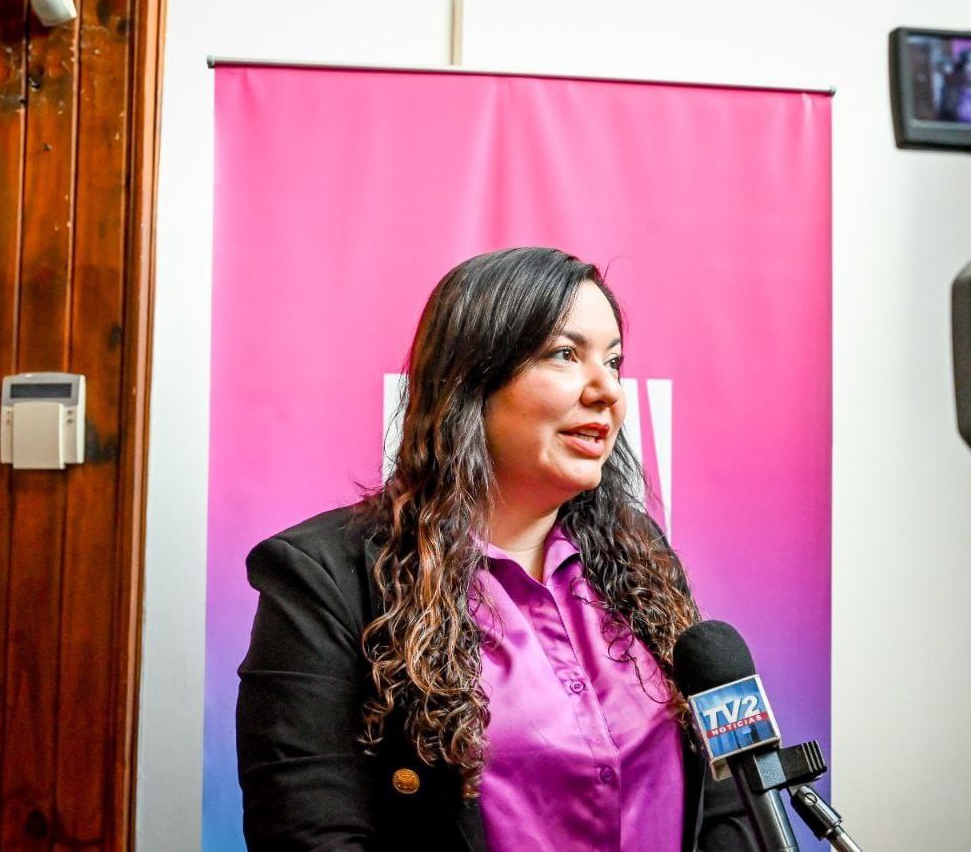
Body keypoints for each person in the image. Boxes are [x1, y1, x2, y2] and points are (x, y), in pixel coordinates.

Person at [235, 247, 755, 850]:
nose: (608, 390)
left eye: (613, 362)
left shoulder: (639, 552)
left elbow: (727, 797)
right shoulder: (325, 576)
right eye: (565, 354)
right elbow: (311, 835)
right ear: (471, 378)